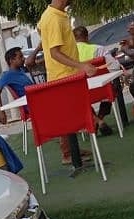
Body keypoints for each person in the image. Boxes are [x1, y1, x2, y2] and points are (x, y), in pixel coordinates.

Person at [37, 0, 97, 163]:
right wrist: (81, 66)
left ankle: (70, 150)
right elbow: (55, 53)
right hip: (62, 76)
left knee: (70, 115)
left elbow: (39, 29)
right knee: (68, 116)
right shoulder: (53, 18)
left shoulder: (51, 15)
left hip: (66, 74)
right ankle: (68, 153)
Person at [74, 25, 114, 137]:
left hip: (82, 93)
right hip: (102, 90)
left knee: (79, 97)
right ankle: (100, 118)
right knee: (113, 87)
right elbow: (113, 66)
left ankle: (97, 121)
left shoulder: (69, 57)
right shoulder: (99, 49)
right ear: (87, 37)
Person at [0, 47, 34, 125]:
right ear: (12, 60)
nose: (23, 59)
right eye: (20, 57)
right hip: (31, 105)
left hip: (36, 100)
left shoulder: (21, 70)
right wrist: (1, 112)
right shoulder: (7, 75)